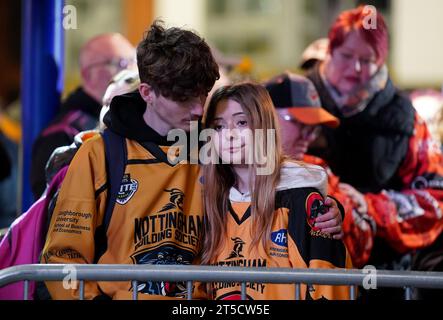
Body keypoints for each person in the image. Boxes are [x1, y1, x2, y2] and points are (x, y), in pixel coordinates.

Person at [41, 21, 343, 300]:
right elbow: (62, 257)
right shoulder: (101, 154)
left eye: (202, 94)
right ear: (147, 93)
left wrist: (324, 209)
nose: (199, 109)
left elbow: (275, 176)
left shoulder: (213, 144)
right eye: (185, 98)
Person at [306, 6, 443, 297]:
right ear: (330, 50)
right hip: (302, 269)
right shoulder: (296, 100)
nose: (355, 69)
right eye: (346, 56)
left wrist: (368, 208)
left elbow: (435, 197)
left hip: (383, 277)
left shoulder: (404, 117)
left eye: (367, 60)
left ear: (381, 62)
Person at [198, 82, 351, 300]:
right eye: (218, 127)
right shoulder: (209, 202)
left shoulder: (303, 200)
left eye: (242, 123)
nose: (229, 135)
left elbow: (331, 290)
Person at [265, 72, 375, 268]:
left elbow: (361, 247)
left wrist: (342, 216)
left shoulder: (316, 171)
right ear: (265, 115)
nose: (308, 136)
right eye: (299, 123)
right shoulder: (230, 169)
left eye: (313, 128)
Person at [31, 33, 136, 199]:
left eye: (134, 61)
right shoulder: (62, 133)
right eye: (121, 63)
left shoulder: (132, 120)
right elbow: (54, 204)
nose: (131, 71)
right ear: (88, 75)